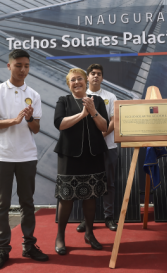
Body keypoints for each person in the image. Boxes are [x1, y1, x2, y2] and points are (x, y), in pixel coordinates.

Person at [0, 49, 49, 270]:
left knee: (27, 203)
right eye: (19, 65)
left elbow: (36, 129)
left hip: (27, 156)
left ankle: (29, 246)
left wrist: (29, 118)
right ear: (9, 66)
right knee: (2, 204)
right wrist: (12, 121)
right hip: (1, 155)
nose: (23, 70)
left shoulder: (34, 95)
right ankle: (3, 249)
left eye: (27, 66)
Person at [53, 68, 109, 255]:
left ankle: (90, 234)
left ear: (86, 82)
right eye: (73, 80)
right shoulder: (64, 101)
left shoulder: (97, 101)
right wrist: (82, 115)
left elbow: (104, 126)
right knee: (66, 197)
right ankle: (60, 236)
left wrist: (92, 111)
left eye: (80, 79)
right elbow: (60, 124)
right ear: (68, 84)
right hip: (69, 156)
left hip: (92, 155)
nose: (77, 82)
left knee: (90, 197)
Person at [76, 64, 118, 233]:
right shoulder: (79, 96)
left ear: (102, 78)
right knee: (86, 183)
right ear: (87, 77)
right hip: (85, 149)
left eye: (99, 74)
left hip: (108, 146)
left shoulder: (110, 96)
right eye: (92, 74)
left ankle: (109, 217)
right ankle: (86, 220)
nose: (95, 76)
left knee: (109, 183)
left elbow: (114, 121)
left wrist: (100, 135)